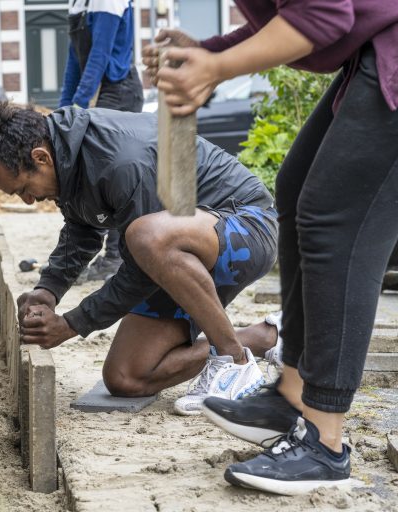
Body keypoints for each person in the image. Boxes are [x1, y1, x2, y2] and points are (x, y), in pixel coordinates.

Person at [144, 1, 398, 495]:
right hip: (373, 47)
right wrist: (208, 52)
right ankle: (293, 395)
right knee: (297, 186)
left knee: (336, 223)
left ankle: (325, 443)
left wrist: (215, 68)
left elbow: (323, 18)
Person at [0, 97, 282, 414]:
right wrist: (47, 290)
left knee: (144, 236)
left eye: (22, 188)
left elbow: (141, 268)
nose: (27, 201)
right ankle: (264, 337)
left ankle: (234, 363)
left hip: (246, 229)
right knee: (127, 378)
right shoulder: (67, 156)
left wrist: (72, 324)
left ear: (41, 158)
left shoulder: (122, 160)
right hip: (180, 255)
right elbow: (82, 230)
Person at [60, 0, 143, 282]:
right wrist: (64, 110)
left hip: (118, 91)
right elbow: (75, 60)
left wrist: (79, 105)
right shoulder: (77, 2)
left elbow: (99, 55)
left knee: (111, 180)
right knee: (85, 178)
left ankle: (115, 259)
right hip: (98, 90)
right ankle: (83, 257)